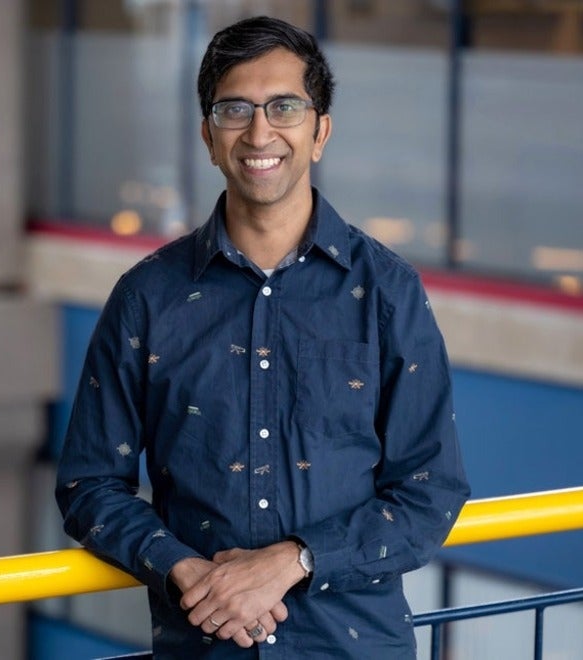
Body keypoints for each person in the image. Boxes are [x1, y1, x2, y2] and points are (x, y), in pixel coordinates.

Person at [56, 15, 469, 659]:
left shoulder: (388, 291)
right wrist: (186, 572)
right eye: (234, 109)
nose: (259, 131)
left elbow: (429, 490)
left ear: (319, 130)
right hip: (204, 643)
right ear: (208, 137)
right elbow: (89, 484)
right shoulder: (147, 296)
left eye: (284, 106)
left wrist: (292, 561)